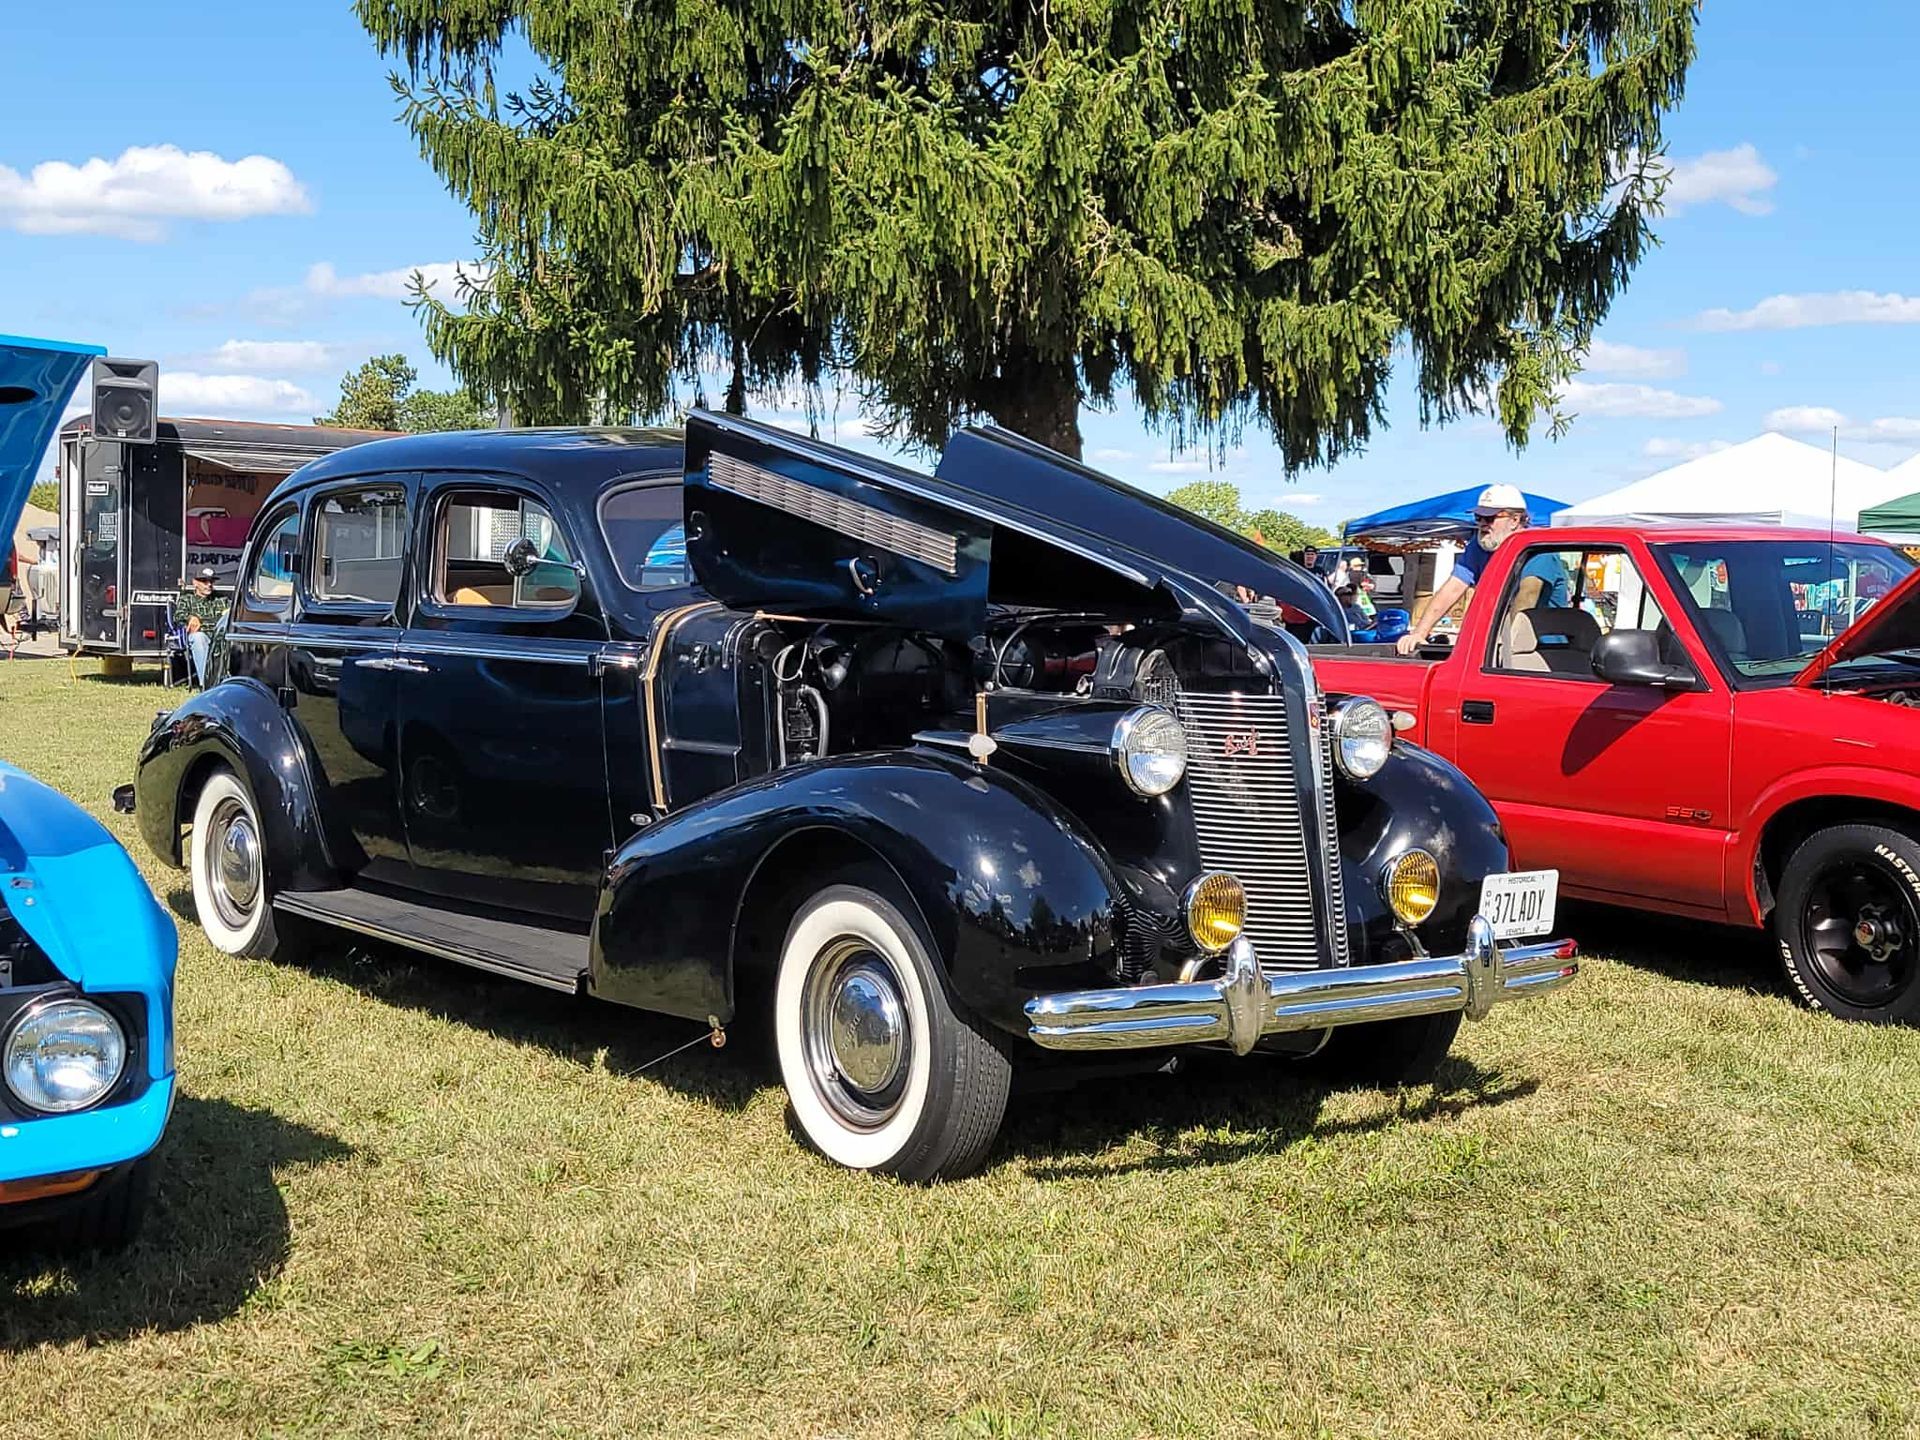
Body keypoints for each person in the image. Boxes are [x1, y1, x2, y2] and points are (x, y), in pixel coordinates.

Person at [1395, 484, 1553, 654]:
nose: (1483, 524)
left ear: (1514, 520)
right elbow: (1453, 588)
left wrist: (1506, 645)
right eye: (1479, 518)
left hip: (1546, 648)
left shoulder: (1536, 549)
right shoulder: (1479, 548)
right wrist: (1419, 633)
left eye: (1490, 518)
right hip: (1503, 645)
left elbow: (1527, 597)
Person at [173, 565, 229, 687]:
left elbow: (232, 613)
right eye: (204, 581)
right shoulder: (187, 600)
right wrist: (190, 618)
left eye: (211, 581)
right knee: (198, 638)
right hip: (201, 635)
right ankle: (207, 684)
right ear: (195, 582)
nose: (209, 584)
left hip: (220, 636)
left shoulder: (222, 599)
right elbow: (178, 616)